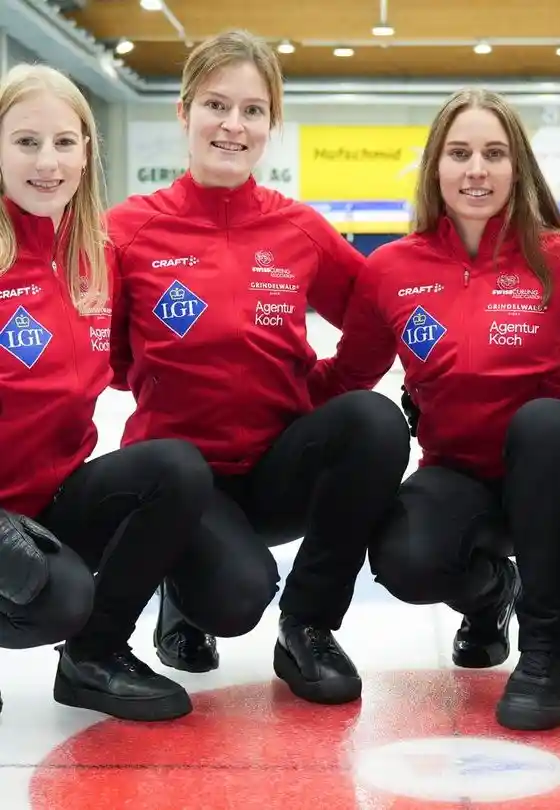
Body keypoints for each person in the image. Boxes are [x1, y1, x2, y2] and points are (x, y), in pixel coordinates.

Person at [307, 87, 560, 731]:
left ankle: (546, 655)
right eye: (459, 153)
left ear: (517, 166)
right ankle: (491, 594)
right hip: (459, 474)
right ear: (435, 167)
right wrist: (262, 396)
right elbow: (348, 374)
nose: (476, 169)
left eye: (493, 153)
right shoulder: (392, 269)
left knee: (541, 422)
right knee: (407, 560)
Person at [107, 29, 410, 705]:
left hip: (276, 470)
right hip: (182, 483)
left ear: (271, 123)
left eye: (252, 110)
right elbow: (105, 352)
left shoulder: (298, 229)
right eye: (216, 105)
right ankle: (181, 586)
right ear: (184, 112)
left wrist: (324, 387)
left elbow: (375, 316)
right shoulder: (127, 230)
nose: (233, 125)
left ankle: (308, 627)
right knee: (234, 599)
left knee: (374, 421)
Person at [0, 63, 215, 722]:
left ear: (87, 152)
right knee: (56, 595)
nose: (48, 161)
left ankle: (93, 659)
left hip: (50, 502)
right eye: (26, 141)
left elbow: (125, 365)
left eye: (64, 142)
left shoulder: (95, 257)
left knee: (174, 467)